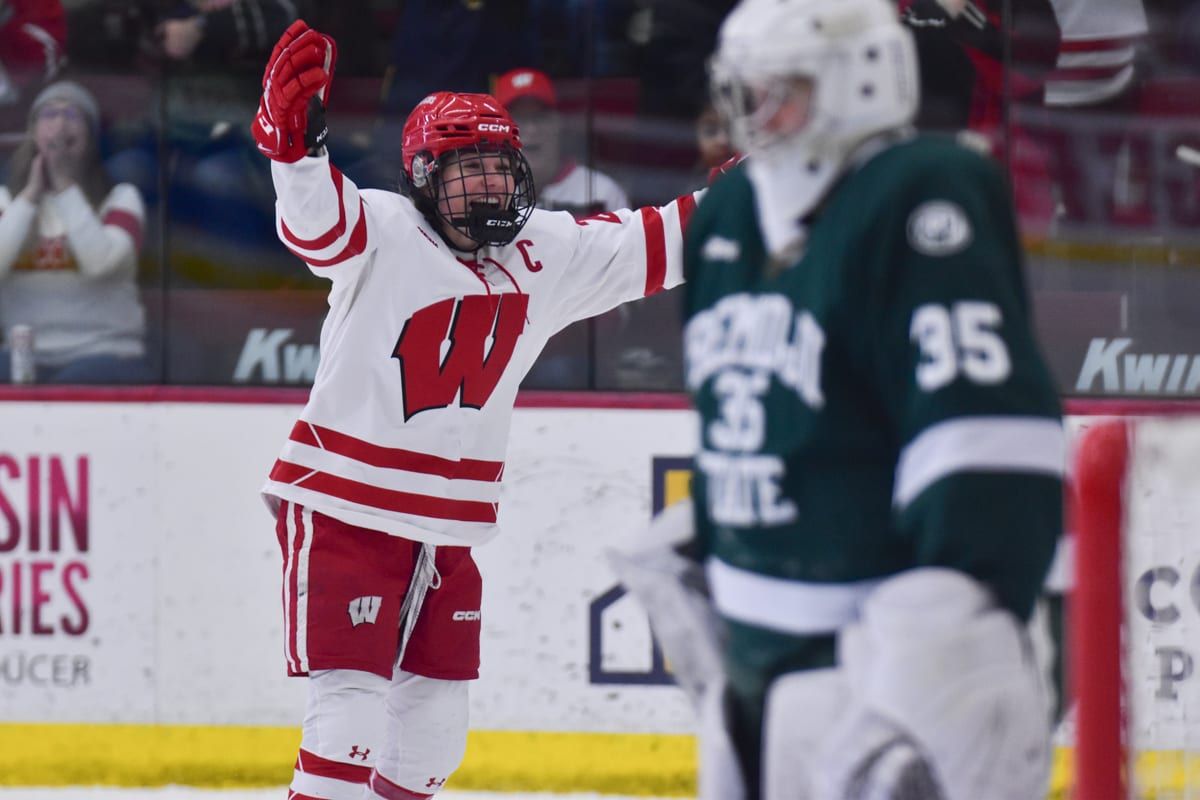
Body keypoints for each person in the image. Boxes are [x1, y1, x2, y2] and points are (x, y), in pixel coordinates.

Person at [613, 1, 1064, 798]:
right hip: (757, 661)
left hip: (880, 663)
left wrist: (942, 648)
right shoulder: (728, 214)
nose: (752, 113)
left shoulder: (923, 191)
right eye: (743, 89)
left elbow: (984, 452)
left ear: (861, 82)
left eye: (778, 89)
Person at [250, 20, 698, 799]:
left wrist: (765, 186)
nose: (490, 185)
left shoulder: (546, 250)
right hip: (346, 508)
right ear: (423, 177)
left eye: (500, 166)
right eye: (469, 170)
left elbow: (658, 241)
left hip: (447, 529)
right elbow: (317, 226)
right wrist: (294, 150)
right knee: (348, 717)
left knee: (432, 738)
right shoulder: (384, 229)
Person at [0, 80, 152, 384]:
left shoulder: (121, 199)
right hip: (24, 355)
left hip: (105, 353)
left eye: (72, 115)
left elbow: (100, 263)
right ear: (33, 133)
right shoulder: (7, 203)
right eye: (49, 114)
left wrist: (64, 185)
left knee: (71, 387)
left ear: (90, 137)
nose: (59, 124)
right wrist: (29, 197)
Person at [492, 67, 629, 217]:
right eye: (518, 118)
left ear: (558, 123)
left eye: (540, 117)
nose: (531, 129)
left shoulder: (603, 194)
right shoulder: (487, 190)